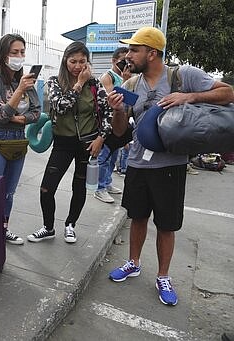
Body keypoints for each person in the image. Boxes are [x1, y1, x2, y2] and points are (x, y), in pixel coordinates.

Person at [107, 27, 234, 306]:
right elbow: (119, 133)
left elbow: (228, 93)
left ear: (152, 53)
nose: (128, 55)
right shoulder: (129, 86)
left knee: (166, 225)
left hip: (171, 165)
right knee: (137, 217)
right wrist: (117, 110)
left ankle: (163, 275)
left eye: (134, 49)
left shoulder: (182, 75)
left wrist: (188, 97)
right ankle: (133, 262)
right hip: (138, 163)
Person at [26, 41, 113, 244]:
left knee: (79, 187)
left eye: (82, 61)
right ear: (65, 61)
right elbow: (61, 106)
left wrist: (101, 138)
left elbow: (107, 112)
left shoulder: (95, 85)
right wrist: (78, 84)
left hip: (88, 144)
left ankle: (70, 225)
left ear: (87, 62)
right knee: (47, 188)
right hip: (62, 143)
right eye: (73, 61)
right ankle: (48, 227)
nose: (77, 66)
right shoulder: (54, 81)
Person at [0, 33, 41, 245]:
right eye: (14, 52)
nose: (19, 56)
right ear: (4, 55)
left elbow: (37, 112)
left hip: (18, 140)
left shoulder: (25, 80)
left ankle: (3, 228)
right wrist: (18, 92)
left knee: (9, 192)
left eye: (22, 52)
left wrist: (19, 119)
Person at [94, 47, 131, 203]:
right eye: (122, 60)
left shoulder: (126, 76)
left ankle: (107, 182)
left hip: (119, 123)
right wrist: (125, 80)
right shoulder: (107, 76)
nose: (125, 63)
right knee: (104, 157)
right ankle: (99, 188)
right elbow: (112, 99)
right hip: (107, 123)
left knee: (113, 155)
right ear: (114, 61)